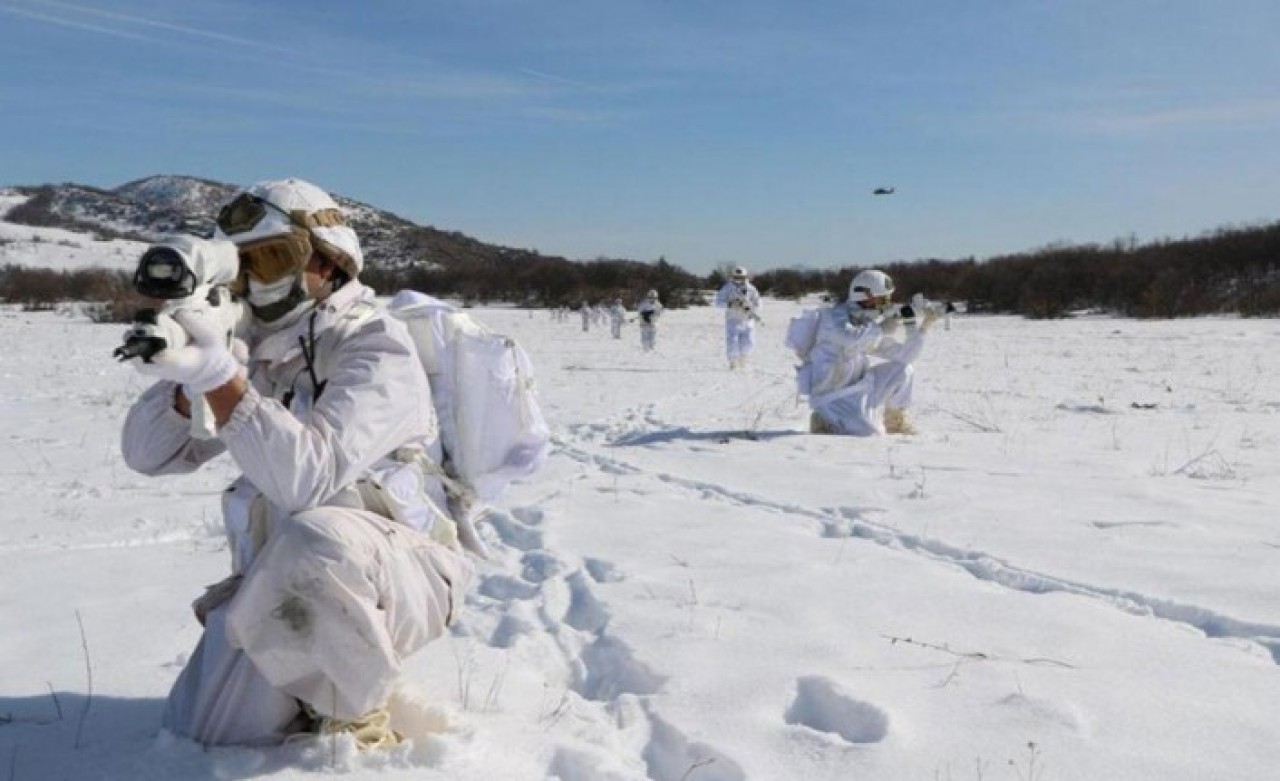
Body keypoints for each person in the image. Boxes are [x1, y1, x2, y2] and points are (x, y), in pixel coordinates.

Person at [121, 178, 475, 748]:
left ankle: (356, 719)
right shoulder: (257, 350)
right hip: (284, 579)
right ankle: (315, 683)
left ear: (330, 261)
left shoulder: (374, 345)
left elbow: (306, 481)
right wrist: (189, 381)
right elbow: (146, 455)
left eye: (274, 258)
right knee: (204, 734)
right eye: (244, 265)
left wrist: (221, 379)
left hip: (404, 572)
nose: (258, 280)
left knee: (318, 539)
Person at [801, 269, 939, 435]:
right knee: (869, 433)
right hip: (832, 397)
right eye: (882, 299)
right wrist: (880, 329)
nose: (885, 305)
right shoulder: (834, 317)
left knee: (903, 370)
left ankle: (895, 422)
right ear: (865, 296)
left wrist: (923, 328)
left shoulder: (866, 324)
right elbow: (850, 338)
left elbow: (904, 356)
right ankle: (823, 419)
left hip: (859, 388)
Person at [713, 266, 761, 369]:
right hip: (733, 320)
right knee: (732, 342)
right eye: (736, 277)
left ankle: (743, 359)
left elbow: (759, 304)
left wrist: (749, 306)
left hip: (747, 320)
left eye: (741, 277)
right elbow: (717, 303)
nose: (739, 280)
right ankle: (733, 362)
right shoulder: (727, 288)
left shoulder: (751, 289)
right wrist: (730, 304)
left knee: (749, 342)